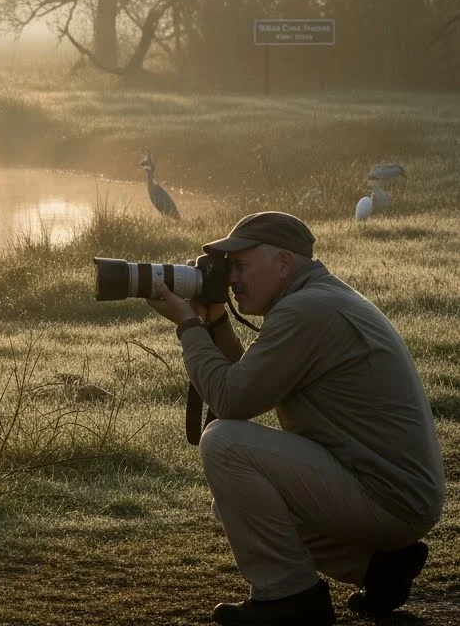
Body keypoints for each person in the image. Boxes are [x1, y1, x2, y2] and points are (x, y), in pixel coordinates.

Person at [145, 211, 444, 625]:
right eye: (229, 268)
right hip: (394, 491)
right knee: (235, 499)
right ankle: (377, 567)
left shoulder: (306, 311)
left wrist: (188, 326)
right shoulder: (318, 299)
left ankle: (289, 596)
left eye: (241, 266)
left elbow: (232, 400)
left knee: (225, 444)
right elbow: (251, 382)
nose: (232, 278)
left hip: (388, 497)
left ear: (283, 262)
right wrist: (213, 321)